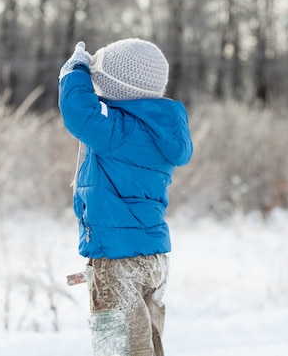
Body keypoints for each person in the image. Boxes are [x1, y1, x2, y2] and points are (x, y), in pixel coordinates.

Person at [58, 38, 193, 356]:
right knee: (147, 344)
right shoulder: (161, 132)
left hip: (118, 263)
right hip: (153, 260)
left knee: (118, 347)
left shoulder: (118, 132)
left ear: (116, 88)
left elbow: (78, 110)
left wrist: (75, 68)